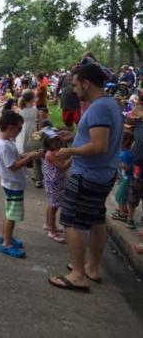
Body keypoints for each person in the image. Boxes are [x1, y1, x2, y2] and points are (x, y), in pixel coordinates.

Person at [48, 63, 123, 293]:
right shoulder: (109, 103)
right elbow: (97, 137)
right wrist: (73, 135)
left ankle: (78, 274)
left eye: (75, 83)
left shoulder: (99, 108)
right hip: (103, 173)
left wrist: (70, 151)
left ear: (87, 83)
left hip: (87, 176)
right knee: (96, 220)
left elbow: (99, 145)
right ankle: (91, 267)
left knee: (71, 221)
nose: (73, 88)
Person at [0, 110, 42, 258]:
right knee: (12, 215)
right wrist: (30, 158)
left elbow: (17, 156)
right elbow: (13, 166)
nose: (20, 131)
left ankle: (4, 236)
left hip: (10, 183)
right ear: (10, 127)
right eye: (19, 128)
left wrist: (31, 154)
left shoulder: (6, 141)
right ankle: (6, 244)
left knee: (9, 212)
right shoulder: (5, 145)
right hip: (13, 184)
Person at [42, 134, 72, 243]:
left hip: (55, 182)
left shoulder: (54, 152)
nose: (60, 142)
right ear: (50, 144)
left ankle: (48, 224)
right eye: (57, 141)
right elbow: (63, 166)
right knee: (53, 207)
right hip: (53, 184)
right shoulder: (51, 155)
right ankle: (52, 231)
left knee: (52, 205)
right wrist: (74, 156)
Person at [16, 90, 43, 188]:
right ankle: (38, 179)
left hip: (21, 135)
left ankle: (20, 177)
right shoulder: (35, 110)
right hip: (33, 135)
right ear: (32, 99)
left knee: (22, 156)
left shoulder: (20, 110)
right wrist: (39, 133)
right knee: (36, 156)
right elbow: (40, 124)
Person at [125, 92, 143, 229]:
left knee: (134, 192)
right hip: (138, 165)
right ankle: (130, 218)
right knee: (134, 192)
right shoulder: (138, 125)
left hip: (138, 164)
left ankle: (131, 218)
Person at [110, 131, 135, 225]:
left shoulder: (126, 154)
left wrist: (115, 162)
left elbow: (127, 167)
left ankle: (123, 214)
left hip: (127, 178)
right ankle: (123, 209)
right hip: (124, 177)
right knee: (122, 195)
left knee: (119, 195)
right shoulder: (123, 152)